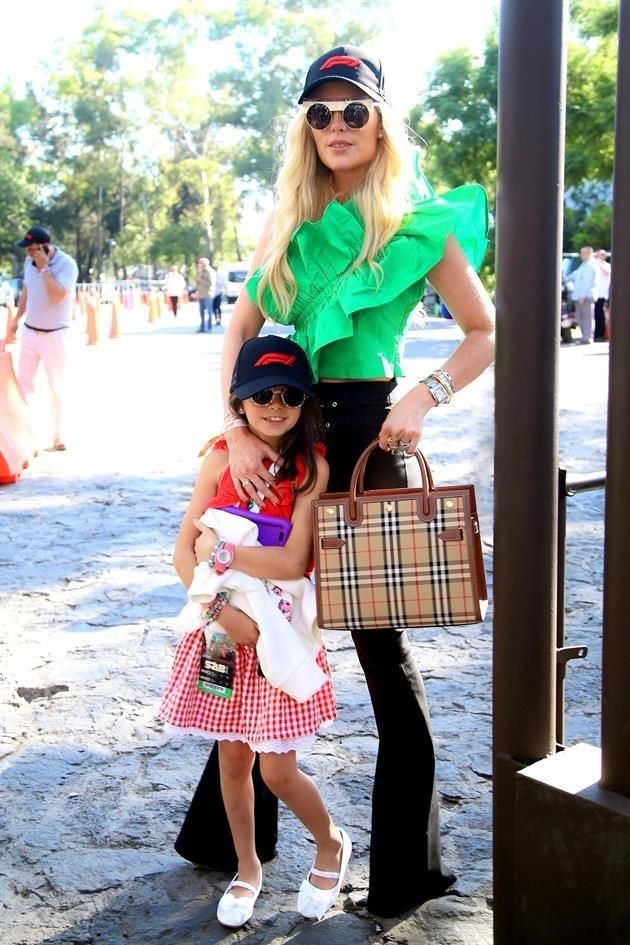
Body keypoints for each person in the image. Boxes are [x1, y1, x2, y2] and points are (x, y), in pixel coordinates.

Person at [175, 44, 495, 918]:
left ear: (380, 120)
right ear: (306, 130)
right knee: (244, 622)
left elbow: (482, 330)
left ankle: (407, 869)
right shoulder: (292, 226)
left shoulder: (420, 226)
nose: (338, 126)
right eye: (320, 113)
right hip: (285, 433)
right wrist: (240, 428)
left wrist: (425, 399)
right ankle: (223, 838)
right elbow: (241, 327)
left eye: (354, 109)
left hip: (366, 448)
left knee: (382, 655)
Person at [160, 334, 350, 927]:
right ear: (239, 401)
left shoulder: (312, 467)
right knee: (233, 760)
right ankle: (248, 868)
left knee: (277, 769)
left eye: (289, 395)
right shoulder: (217, 460)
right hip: (218, 634)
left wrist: (223, 558)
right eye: (260, 394)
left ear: (305, 403)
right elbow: (181, 551)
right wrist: (219, 612)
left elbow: (294, 562)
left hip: (280, 635)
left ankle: (330, 844)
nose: (275, 405)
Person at [8, 225, 78, 451]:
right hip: (31, 332)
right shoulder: (30, 263)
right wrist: (17, 319)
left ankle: (59, 436)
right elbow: (28, 290)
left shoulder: (67, 265)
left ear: (45, 247)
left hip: (56, 334)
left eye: (33, 250)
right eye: (27, 250)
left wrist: (45, 269)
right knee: (24, 385)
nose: (29, 254)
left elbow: (58, 296)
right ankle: (25, 435)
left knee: (57, 387)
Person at [568, 245, 597, 345]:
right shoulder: (583, 265)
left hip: (586, 296)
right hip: (579, 296)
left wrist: (583, 295)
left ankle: (587, 337)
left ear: (588, 253)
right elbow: (575, 275)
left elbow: (588, 282)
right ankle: (584, 336)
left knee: (587, 317)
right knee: (580, 317)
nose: (581, 255)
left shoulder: (590, 265)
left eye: (583, 253)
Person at [593, 249, 611, 341]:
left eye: (602, 255)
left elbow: (607, 273)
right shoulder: (593, 266)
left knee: (602, 316)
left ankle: (601, 335)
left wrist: (598, 263)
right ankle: (596, 335)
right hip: (596, 294)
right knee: (596, 315)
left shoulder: (607, 265)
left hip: (604, 295)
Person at [195, 257, 216, 332]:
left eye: (200, 263)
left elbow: (210, 284)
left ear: (204, 264)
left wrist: (201, 280)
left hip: (207, 294)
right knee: (201, 312)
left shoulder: (210, 272)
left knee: (209, 312)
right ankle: (202, 327)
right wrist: (197, 292)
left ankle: (209, 327)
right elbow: (198, 283)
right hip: (201, 294)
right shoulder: (201, 272)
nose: (199, 264)